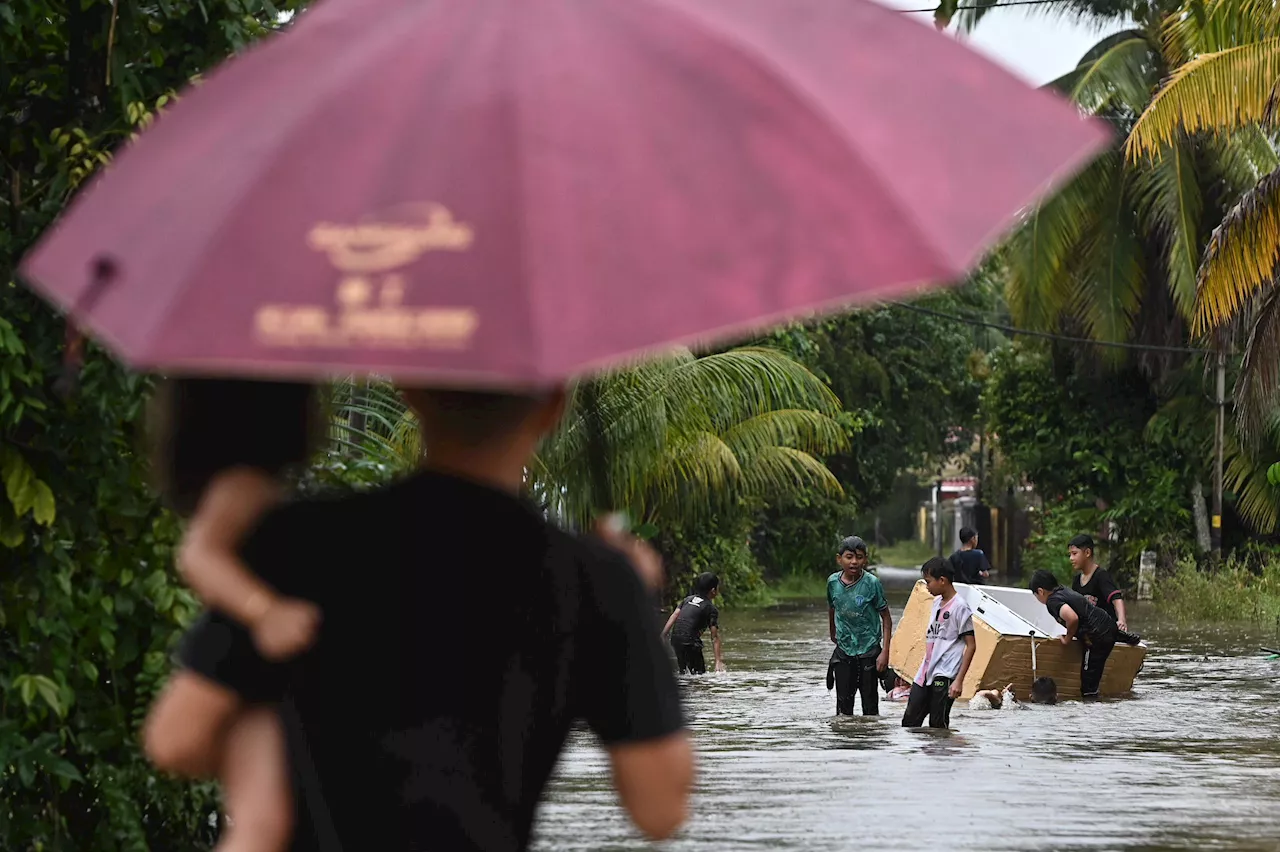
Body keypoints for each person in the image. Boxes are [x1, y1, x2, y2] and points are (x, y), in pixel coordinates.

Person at [143, 385, 693, 851]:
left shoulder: (304, 542)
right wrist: (631, 608)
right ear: (554, 404)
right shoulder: (591, 578)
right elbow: (660, 808)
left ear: (411, 392)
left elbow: (177, 739)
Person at [148, 378, 321, 852]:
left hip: (250, 673)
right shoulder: (245, 484)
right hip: (250, 652)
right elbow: (198, 555)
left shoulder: (253, 485)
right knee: (259, 821)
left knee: (258, 817)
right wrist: (264, 611)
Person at [1029, 569, 1139, 700]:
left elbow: (1072, 618)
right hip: (1107, 624)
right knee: (1104, 636)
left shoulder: (1052, 601)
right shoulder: (1064, 590)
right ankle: (1125, 637)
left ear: (1041, 591)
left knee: (1088, 684)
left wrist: (1067, 639)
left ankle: (1091, 708)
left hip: (1097, 637)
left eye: (1036, 595)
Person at [902, 557, 976, 728]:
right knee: (909, 722)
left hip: (945, 673)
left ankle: (941, 754)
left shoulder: (960, 607)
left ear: (942, 580)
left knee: (938, 725)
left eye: (928, 582)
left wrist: (959, 680)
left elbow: (971, 645)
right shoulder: (935, 603)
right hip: (925, 672)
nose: (926, 586)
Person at [827, 536, 892, 716]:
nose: (854, 562)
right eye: (849, 557)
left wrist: (885, 652)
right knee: (843, 709)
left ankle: (869, 739)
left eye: (859, 557)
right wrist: (833, 633)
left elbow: (886, 618)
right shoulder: (833, 582)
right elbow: (832, 608)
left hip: (869, 650)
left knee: (870, 708)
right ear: (839, 559)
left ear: (866, 560)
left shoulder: (872, 583)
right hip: (844, 649)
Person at [661, 572, 725, 674]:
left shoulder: (687, 599)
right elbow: (714, 637)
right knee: (699, 676)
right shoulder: (710, 609)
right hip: (691, 642)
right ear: (713, 591)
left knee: (684, 673)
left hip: (676, 640)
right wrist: (718, 661)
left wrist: (663, 635)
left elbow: (674, 615)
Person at [1068, 533, 1129, 632]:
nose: (1071, 558)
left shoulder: (1101, 576)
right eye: (1070, 554)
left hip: (1105, 630)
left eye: (1074, 554)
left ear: (1087, 553)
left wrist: (1121, 620)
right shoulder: (1076, 580)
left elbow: (1116, 598)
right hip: (1088, 630)